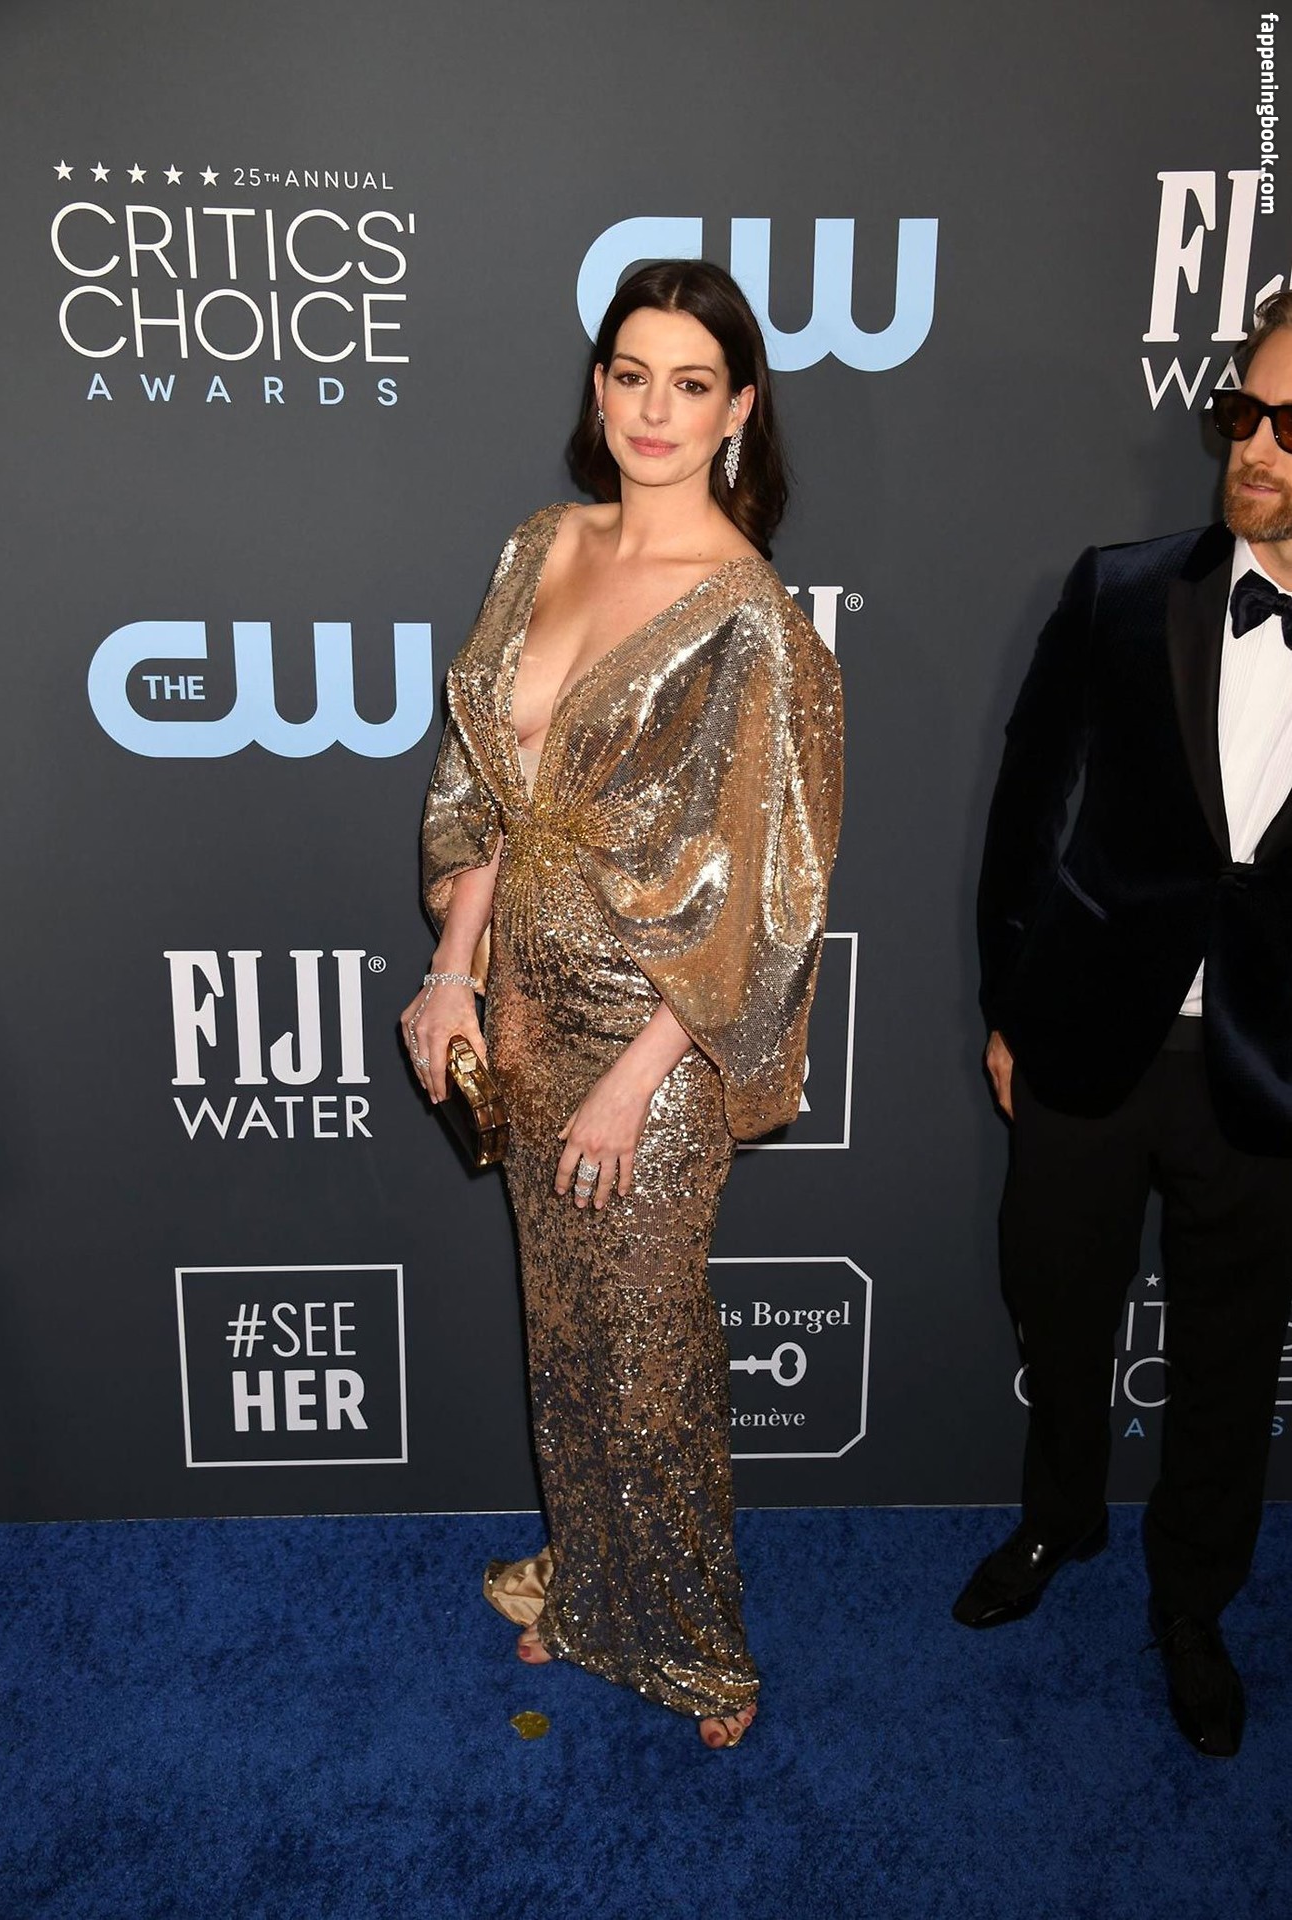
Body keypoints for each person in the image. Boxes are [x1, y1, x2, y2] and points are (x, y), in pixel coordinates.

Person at [401, 261, 843, 1749]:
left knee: (645, 1348)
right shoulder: (544, 543)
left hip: (653, 1034)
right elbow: (489, 789)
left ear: (739, 409)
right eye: (633, 375)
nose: (657, 410)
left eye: (691, 383)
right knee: (564, 1328)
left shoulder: (751, 619)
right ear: (599, 391)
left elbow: (767, 897)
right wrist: (453, 972)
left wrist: (642, 1073)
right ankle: (593, 1584)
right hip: (520, 1005)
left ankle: (702, 1651)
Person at [954, 288, 1292, 1758]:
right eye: (1244, 412)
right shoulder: (1121, 588)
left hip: (1270, 1064)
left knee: (1231, 1356)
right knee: (1058, 1301)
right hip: (1092, 1033)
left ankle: (1194, 1603)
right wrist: (1009, 1006)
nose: (1255, 447)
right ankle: (1061, 1515)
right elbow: (1031, 809)